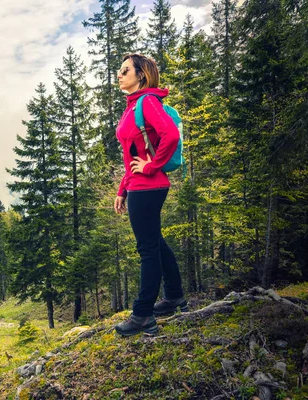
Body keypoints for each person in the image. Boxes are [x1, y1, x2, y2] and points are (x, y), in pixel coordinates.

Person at [113, 53, 188, 337]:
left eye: (124, 70)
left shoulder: (148, 102)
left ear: (141, 75)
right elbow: (132, 155)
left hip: (149, 186)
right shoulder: (132, 106)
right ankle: (174, 297)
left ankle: (143, 314)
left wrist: (152, 166)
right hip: (139, 186)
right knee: (155, 242)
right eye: (119, 71)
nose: (119, 75)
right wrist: (122, 189)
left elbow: (170, 135)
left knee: (147, 250)